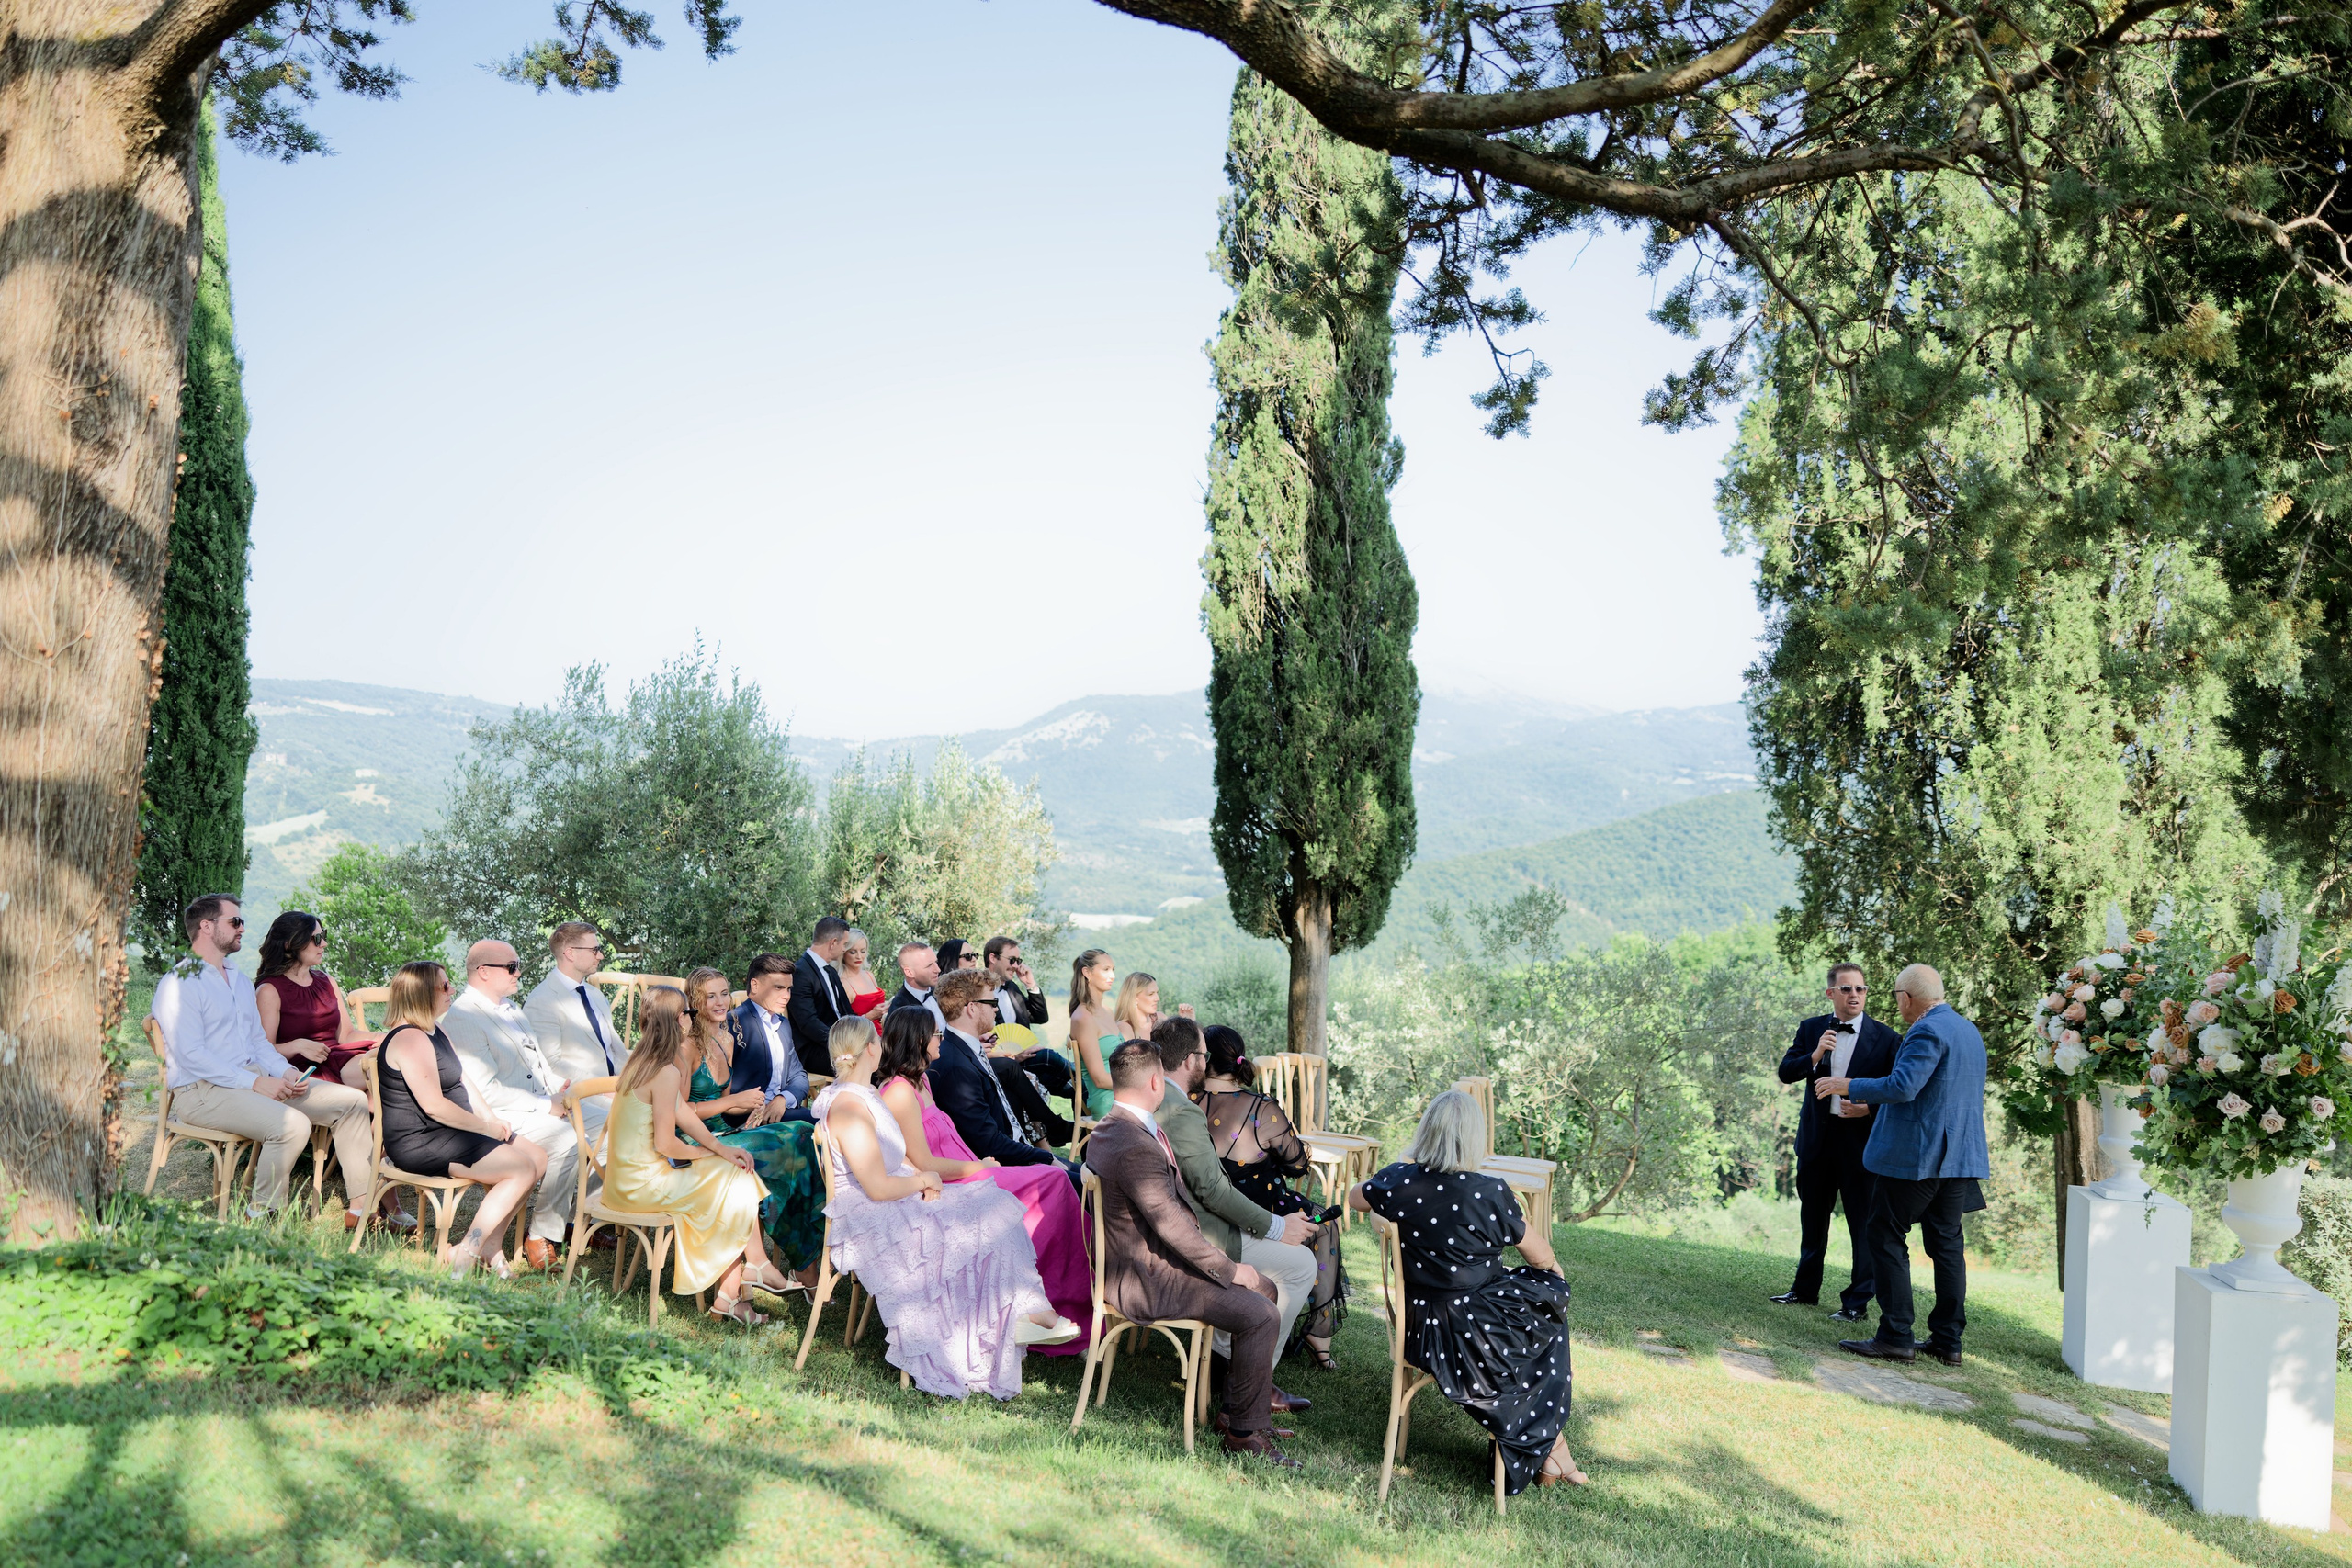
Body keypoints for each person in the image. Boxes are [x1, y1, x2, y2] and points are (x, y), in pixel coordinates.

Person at [815, 1015, 1079, 1396]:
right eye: (877, 1040)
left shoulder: (865, 1095)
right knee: (987, 1210)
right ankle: (1014, 1317)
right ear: (870, 1048)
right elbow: (874, 1186)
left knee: (993, 1202)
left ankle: (1026, 1310)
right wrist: (922, 1180)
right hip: (872, 1217)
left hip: (894, 1198)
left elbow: (891, 1162)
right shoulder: (849, 1108)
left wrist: (922, 1181)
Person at [1351, 1089, 1585, 1493]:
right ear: (1473, 1140)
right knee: (1549, 1305)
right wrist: (1555, 1281)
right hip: (1472, 1337)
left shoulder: (1396, 1180)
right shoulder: (1490, 1193)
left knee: (1538, 1312)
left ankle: (1552, 1450)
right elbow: (1542, 1256)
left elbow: (1358, 1198)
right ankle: (1550, 1448)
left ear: (1426, 1133)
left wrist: (1399, 1178)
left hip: (1418, 1329)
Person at [1084, 1039, 1296, 1467]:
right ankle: (1244, 1436)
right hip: (1146, 1279)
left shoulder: (1112, 1127)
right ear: (1155, 1081)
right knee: (1261, 1311)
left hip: (1145, 1263)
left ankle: (1236, 1411)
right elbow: (1171, 1226)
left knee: (1267, 1289)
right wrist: (1230, 1269)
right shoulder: (1134, 1142)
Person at [149, 894, 378, 1229]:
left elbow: (258, 1043)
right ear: (206, 926)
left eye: (242, 921)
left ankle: (360, 1210)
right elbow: (191, 1056)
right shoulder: (178, 984)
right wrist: (256, 1082)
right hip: (201, 1091)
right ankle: (261, 1216)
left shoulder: (239, 981)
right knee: (292, 1126)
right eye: (234, 922)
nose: (242, 928)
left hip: (250, 1079)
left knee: (353, 1102)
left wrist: (287, 1073)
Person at [872, 1007, 1091, 1352]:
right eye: (935, 1034)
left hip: (972, 1172)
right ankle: (1052, 1307)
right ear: (918, 1040)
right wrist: (979, 1168)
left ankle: (1069, 1303)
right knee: (1053, 1181)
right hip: (953, 1186)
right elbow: (924, 1162)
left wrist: (979, 1166)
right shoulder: (899, 1092)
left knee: (1054, 1179)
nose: (940, 1039)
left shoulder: (923, 1080)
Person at [1814, 963, 1989, 1367]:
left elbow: (1904, 1086)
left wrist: (1847, 1085)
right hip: (1959, 1157)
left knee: (1885, 1235)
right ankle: (1947, 1342)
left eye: (1896, 998)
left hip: (1919, 1157)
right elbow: (1939, 1092)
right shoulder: (1968, 1029)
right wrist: (1871, 1106)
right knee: (1946, 1246)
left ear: (1906, 998)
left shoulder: (1925, 1030)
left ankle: (1895, 1336)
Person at [595, 987, 795, 1325]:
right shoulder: (665, 1070)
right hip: (639, 1183)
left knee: (735, 1173)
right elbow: (667, 1145)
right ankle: (750, 1275)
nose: (691, 1017)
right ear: (678, 1021)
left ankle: (733, 1295)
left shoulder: (644, 1060)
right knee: (729, 1183)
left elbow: (684, 1116)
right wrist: (708, 1153)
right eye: (686, 1012)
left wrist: (721, 1149)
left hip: (629, 1176)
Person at [1151, 1018, 1318, 1412]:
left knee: (1289, 1256)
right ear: (1192, 1060)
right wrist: (1277, 1226)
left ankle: (1232, 1361)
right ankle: (1252, 1379)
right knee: (1301, 1264)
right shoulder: (1181, 1112)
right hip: (1200, 1234)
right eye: (1200, 1055)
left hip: (1183, 1220)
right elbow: (1212, 1191)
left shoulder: (1164, 1102)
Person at [374, 960, 548, 1278]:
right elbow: (434, 1106)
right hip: (421, 1139)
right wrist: (484, 1128)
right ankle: (466, 1251)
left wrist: (492, 1119)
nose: (452, 989)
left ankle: (489, 1247)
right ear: (421, 993)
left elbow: (464, 1080)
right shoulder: (409, 1039)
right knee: (521, 1168)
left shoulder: (434, 1029)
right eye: (444, 985)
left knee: (537, 1156)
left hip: (453, 1130)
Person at [1198, 1023, 1346, 1370]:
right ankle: (1317, 1332)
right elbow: (1296, 1164)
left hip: (1206, 1212)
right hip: (1259, 1208)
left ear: (1205, 1061)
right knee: (1323, 1228)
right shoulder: (1261, 1108)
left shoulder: (1186, 1104)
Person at [440, 939, 579, 1272]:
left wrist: (556, 1086)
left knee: (606, 1121)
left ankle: (587, 1221)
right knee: (567, 1139)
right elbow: (486, 1092)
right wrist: (547, 1105)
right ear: (483, 972)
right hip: (495, 1115)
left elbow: (537, 1062)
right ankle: (542, 1235)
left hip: (535, 1102)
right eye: (512, 967)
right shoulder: (463, 1016)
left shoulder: (512, 1008)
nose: (520, 973)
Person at [1771, 963, 1901, 1321]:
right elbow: (1786, 1072)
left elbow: (1900, 1091)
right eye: (1846, 989)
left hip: (1861, 1146)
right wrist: (1814, 1054)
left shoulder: (1888, 1038)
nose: (1855, 995)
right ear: (1831, 993)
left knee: (1863, 1225)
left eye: (1861, 989)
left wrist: (1867, 1110)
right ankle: (1804, 1290)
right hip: (1817, 1141)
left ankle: (1856, 1303)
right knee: (1813, 1220)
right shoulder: (1812, 1028)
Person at [680, 966, 826, 1281]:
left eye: (723, 993)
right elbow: (680, 1111)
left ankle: (805, 1251)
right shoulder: (686, 1046)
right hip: (694, 1139)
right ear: (695, 1000)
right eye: (710, 996)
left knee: (802, 1134)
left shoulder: (726, 1038)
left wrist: (751, 1108)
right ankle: (796, 1260)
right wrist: (733, 1103)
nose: (720, 1002)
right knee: (786, 1143)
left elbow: (732, 1096)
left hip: (729, 1130)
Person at [927, 969, 1072, 1175]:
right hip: (1008, 1168)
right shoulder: (956, 1068)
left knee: (1100, 1178)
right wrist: (1044, 1157)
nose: (996, 1010)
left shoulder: (966, 1048)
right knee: (1094, 1189)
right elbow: (988, 1143)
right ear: (972, 1009)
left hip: (1020, 1153)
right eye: (992, 1003)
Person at [523, 922, 628, 1141]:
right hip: (583, 1095)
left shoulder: (596, 995)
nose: (600, 956)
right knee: (640, 1118)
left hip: (617, 1086)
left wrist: (634, 1079)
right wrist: (605, 1088)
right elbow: (552, 1063)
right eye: (594, 950)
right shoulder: (543, 1000)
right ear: (569, 953)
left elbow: (614, 1051)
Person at [252, 910, 378, 1089]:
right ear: (290, 945)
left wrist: (385, 1037)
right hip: (306, 1069)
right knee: (381, 1067)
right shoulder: (269, 991)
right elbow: (262, 1051)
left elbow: (346, 1035)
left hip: (340, 1057)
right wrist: (297, 1046)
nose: (324, 944)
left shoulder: (327, 981)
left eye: (323, 936)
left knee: (394, 1055)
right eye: (317, 939)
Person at [729, 953, 812, 1120]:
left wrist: (782, 1099)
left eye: (789, 989)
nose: (787, 996)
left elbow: (799, 1076)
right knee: (823, 1123)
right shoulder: (733, 1023)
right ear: (755, 985)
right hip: (746, 1119)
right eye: (779, 988)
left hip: (781, 1111)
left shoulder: (783, 1024)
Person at [788, 917, 854, 1079]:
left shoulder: (830, 972)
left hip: (838, 1043)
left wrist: (864, 1035)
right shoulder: (800, 972)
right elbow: (808, 1023)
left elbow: (846, 1011)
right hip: (813, 1049)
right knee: (863, 1067)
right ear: (833, 943)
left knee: (882, 1058)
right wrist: (840, 1045)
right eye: (844, 944)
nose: (845, 949)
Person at [1066, 948, 1119, 1120]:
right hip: (1107, 1098)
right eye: (1106, 970)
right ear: (1087, 973)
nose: (1112, 976)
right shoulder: (1083, 1018)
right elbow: (1100, 1079)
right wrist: (1136, 1084)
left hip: (1122, 1091)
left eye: (1113, 970)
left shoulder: (1107, 1011)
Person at [986, 936, 1051, 1029]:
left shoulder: (1012, 988)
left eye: (1018, 961)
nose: (1016, 966)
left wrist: (1030, 984)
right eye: (1012, 960)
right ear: (993, 958)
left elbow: (1041, 1018)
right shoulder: (977, 991)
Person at [888, 941, 945, 1029]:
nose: (937, 969)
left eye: (936, 962)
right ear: (909, 972)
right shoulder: (900, 1011)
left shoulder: (942, 992)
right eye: (929, 965)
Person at [836, 929, 888, 1023]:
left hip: (883, 1034)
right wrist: (870, 1016)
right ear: (843, 953)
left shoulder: (869, 975)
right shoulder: (842, 983)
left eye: (863, 951)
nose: (859, 957)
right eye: (853, 952)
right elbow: (842, 1024)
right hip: (862, 1035)